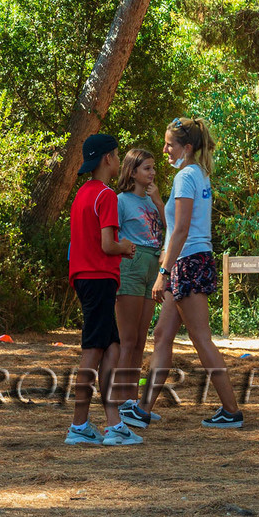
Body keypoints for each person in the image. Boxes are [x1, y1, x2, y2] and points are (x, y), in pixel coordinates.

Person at [137, 116, 243, 429]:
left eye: (170, 144)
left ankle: (232, 410)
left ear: (187, 147)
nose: (165, 149)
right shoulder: (196, 173)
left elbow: (181, 229)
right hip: (189, 261)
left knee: (200, 338)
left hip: (187, 262)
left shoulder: (186, 177)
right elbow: (179, 225)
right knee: (162, 335)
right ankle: (142, 409)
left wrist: (164, 271)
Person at [65, 133, 142, 448]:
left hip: (85, 277)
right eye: (116, 154)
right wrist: (126, 247)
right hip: (98, 277)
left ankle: (114, 423)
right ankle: (79, 424)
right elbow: (108, 244)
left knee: (112, 347)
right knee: (93, 350)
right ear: (108, 158)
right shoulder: (106, 195)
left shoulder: (82, 194)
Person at [112, 146, 166, 418]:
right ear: (132, 172)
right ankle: (120, 401)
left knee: (141, 339)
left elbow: (171, 227)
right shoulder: (120, 200)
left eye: (154, 168)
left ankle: (132, 404)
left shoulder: (152, 199)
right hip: (131, 265)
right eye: (147, 168)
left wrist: (158, 202)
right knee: (128, 339)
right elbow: (113, 235)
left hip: (154, 266)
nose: (153, 172)